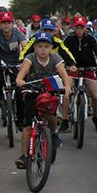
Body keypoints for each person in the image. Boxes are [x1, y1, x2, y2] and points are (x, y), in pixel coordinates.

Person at [14, 30, 72, 170]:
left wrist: (67, 87)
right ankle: (24, 156)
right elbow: (21, 74)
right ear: (35, 48)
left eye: (46, 46)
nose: (43, 49)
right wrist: (20, 80)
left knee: (51, 117)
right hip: (32, 92)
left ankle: (53, 133)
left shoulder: (55, 58)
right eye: (40, 46)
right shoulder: (30, 58)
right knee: (27, 126)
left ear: (51, 48)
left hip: (49, 92)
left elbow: (64, 74)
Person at [62, 15, 97, 133]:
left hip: (89, 68)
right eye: (77, 27)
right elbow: (62, 51)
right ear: (74, 27)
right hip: (73, 69)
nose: (79, 30)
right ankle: (65, 120)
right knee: (66, 92)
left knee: (94, 95)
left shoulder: (91, 38)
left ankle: (96, 117)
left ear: (85, 28)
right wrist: (68, 64)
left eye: (82, 27)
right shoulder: (68, 38)